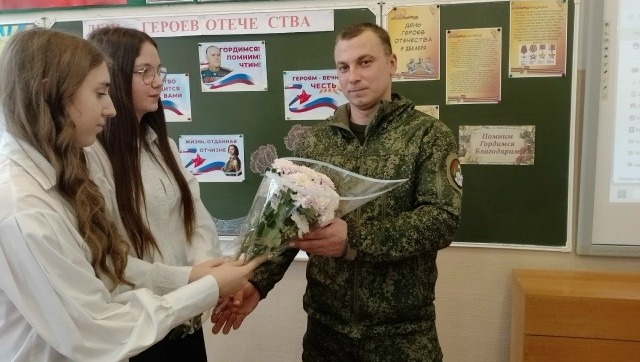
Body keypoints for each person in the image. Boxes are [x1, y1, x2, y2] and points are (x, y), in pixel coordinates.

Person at [0, 27, 262, 361]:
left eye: (158, 70)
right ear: (52, 94)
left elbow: (119, 258)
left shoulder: (61, 174)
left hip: (156, 320)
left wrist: (201, 278)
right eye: (100, 92)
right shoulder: (25, 208)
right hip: (133, 332)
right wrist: (204, 286)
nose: (110, 108)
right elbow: (97, 326)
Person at [213, 22, 463, 361]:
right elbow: (289, 225)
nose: (353, 77)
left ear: (391, 63)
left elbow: (441, 221)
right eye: (343, 67)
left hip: (402, 338)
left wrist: (354, 239)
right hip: (327, 335)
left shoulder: (428, 136)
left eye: (365, 62)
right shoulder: (317, 142)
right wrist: (257, 283)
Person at [86, 26, 223, 361]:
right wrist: (192, 279)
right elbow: (111, 261)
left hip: (185, 319)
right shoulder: (91, 158)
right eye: (144, 72)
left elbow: (196, 220)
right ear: (113, 78)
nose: (158, 81)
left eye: (159, 70)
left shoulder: (162, 146)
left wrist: (208, 273)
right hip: (140, 330)